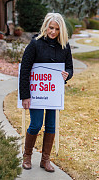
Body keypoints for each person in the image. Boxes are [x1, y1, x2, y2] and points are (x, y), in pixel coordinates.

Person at [19, 13, 73, 172]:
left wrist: (67, 74)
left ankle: (45, 160)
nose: (53, 32)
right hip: (36, 93)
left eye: (56, 29)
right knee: (36, 124)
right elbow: (25, 70)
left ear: (61, 29)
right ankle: (27, 156)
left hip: (53, 93)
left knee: (51, 125)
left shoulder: (64, 45)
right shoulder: (35, 44)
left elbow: (69, 67)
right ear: (45, 27)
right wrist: (25, 95)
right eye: (51, 28)